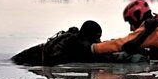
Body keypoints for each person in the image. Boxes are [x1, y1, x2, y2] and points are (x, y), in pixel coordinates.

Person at [12, 20, 147, 66]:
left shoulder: (76, 38)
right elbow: (104, 55)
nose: (99, 41)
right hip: (31, 59)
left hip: (30, 56)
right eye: (97, 38)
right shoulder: (79, 45)